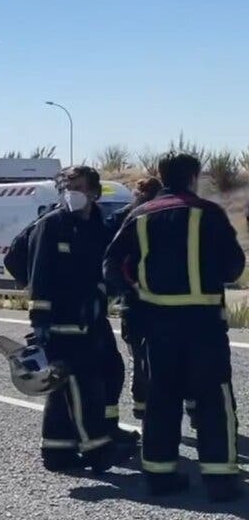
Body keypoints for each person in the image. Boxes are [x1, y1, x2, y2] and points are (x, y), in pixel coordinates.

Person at [104, 153, 245, 500]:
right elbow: (233, 268)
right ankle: (220, 478)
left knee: (161, 398)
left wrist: (133, 293)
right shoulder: (209, 214)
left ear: (162, 176)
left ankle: (159, 474)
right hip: (203, 325)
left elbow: (111, 264)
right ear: (194, 177)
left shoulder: (138, 216)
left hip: (158, 325)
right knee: (213, 397)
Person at [5, 166, 132, 473]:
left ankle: (57, 451)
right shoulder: (51, 225)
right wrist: (41, 321)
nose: (70, 192)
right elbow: (23, 264)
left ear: (95, 193)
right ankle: (96, 449)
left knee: (67, 385)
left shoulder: (95, 224)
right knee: (82, 383)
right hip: (59, 321)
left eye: (77, 187)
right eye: (67, 186)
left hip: (89, 319)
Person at [106, 177, 162, 421]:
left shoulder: (124, 218)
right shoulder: (137, 218)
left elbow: (109, 259)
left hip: (136, 299)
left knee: (139, 358)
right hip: (149, 300)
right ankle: (148, 408)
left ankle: (144, 409)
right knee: (149, 357)